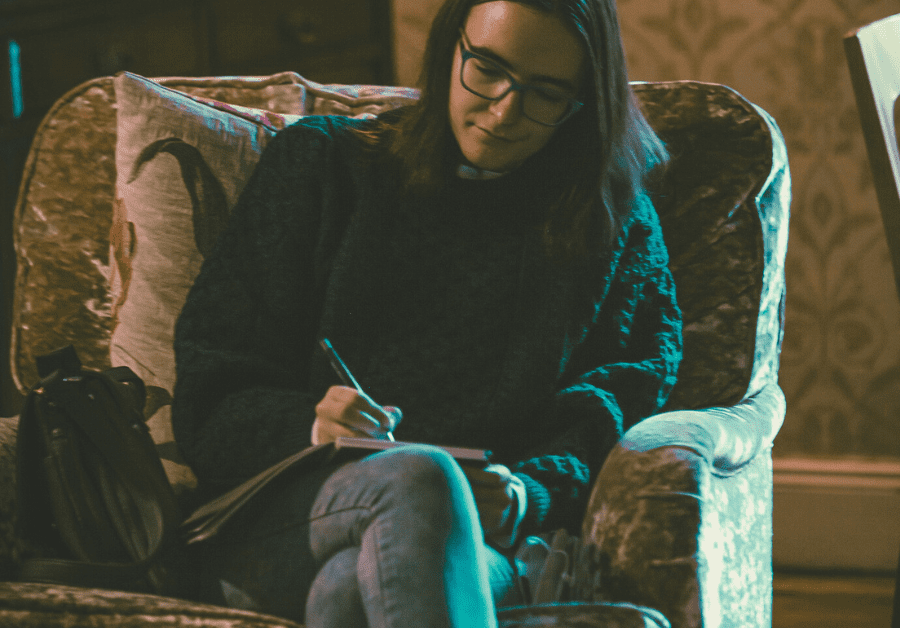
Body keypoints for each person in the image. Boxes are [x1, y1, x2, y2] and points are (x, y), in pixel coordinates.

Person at [171, 0, 682, 626]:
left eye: (546, 94)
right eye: (487, 69)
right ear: (449, 50)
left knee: (345, 594)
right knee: (416, 478)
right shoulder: (323, 165)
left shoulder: (612, 222)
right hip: (283, 528)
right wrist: (308, 423)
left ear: (583, 103)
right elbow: (207, 396)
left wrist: (527, 493)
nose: (504, 110)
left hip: (484, 544)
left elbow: (622, 393)